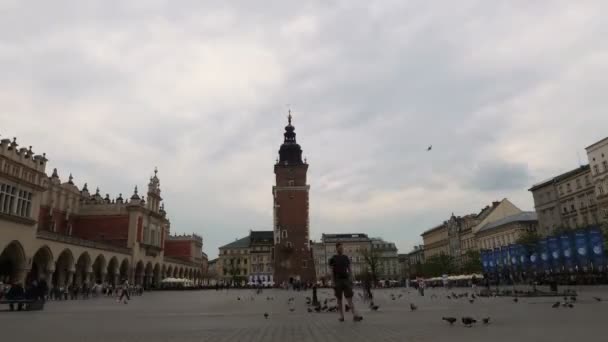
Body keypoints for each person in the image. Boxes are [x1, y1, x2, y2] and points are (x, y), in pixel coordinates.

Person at [328, 242, 363, 322]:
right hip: (337, 280)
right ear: (336, 249)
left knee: (349, 298)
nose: (341, 249)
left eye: (342, 248)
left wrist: (351, 278)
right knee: (339, 299)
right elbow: (331, 271)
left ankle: (355, 315)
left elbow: (349, 269)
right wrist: (332, 281)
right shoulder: (333, 259)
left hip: (346, 279)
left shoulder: (346, 257)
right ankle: (341, 316)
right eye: (339, 248)